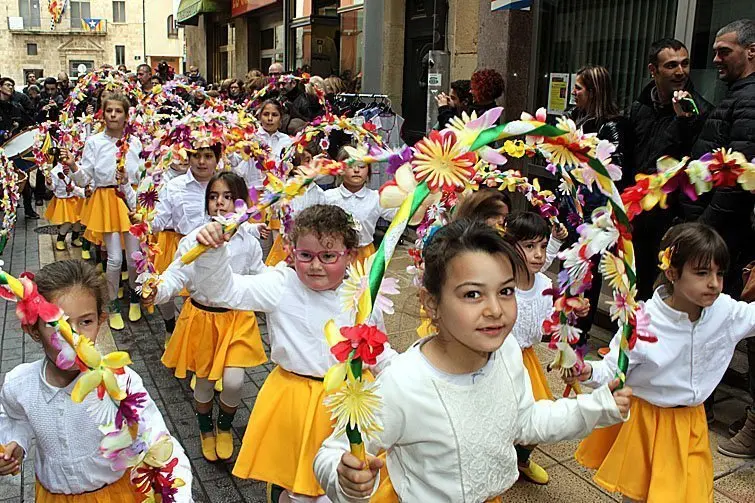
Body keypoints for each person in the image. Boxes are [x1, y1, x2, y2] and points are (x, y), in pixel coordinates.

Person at [314, 219, 631, 502]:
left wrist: (598, 406)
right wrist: (346, 478)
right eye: (472, 294)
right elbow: (334, 451)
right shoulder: (402, 383)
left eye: (505, 291)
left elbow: (526, 420)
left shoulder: (506, 352)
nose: (495, 309)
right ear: (432, 303)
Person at [191, 204, 397, 502]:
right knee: (300, 487)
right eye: (305, 255)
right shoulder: (281, 284)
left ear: (350, 255)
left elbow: (376, 348)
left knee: (346, 482)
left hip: (351, 401)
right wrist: (213, 251)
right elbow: (223, 292)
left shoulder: (363, 292)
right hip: (297, 401)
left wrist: (404, 373)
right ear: (292, 252)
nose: (315, 266)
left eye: (328, 256)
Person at [570, 222, 755, 501]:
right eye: (702, 273)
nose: (714, 283)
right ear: (672, 272)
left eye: (719, 273)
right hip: (646, 420)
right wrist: (586, 370)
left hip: (691, 420)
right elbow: (612, 370)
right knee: (638, 493)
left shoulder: (725, 312)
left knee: (685, 492)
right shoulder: (643, 322)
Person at [0, 259, 192, 501]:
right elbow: (16, 418)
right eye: (56, 324)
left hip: (114, 494)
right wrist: (15, 442)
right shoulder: (19, 384)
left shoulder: (119, 382)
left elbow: (157, 440)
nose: (74, 337)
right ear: (33, 329)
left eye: (86, 322)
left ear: (101, 321)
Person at [150, 172, 267, 462]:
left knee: (234, 382)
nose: (220, 203)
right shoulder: (193, 241)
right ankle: (205, 428)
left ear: (241, 203)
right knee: (202, 381)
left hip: (239, 320)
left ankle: (225, 426)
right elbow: (176, 274)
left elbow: (260, 276)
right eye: (214, 197)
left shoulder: (248, 242)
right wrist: (157, 291)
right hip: (202, 319)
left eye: (228, 197)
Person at [679, 18, 755, 459]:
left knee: (708, 315)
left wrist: (704, 229)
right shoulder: (736, 99)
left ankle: (700, 398)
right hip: (713, 232)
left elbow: (735, 179)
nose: (715, 58)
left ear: (751, 52)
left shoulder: (749, 101)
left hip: (721, 236)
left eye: (724, 51)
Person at [626, 38, 713, 303]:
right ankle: (631, 339)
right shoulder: (638, 108)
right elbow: (634, 159)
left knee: (666, 293)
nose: (680, 72)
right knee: (634, 285)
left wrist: (681, 122)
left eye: (685, 64)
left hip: (670, 220)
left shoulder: (700, 112)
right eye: (671, 65)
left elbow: (688, 168)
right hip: (637, 214)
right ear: (653, 70)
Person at [62, 93, 144, 330]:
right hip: (106, 201)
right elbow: (86, 177)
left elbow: (141, 174)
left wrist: (130, 179)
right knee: (115, 259)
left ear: (126, 116)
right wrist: (73, 166)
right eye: (109, 111)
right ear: (103, 114)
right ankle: (113, 304)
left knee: (134, 257)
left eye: (118, 111)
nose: (113, 115)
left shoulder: (135, 143)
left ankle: (136, 297)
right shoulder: (94, 142)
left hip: (129, 200)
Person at [564, 65, 628, 342]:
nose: (574, 93)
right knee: (568, 259)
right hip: (572, 203)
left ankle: (581, 326)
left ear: (594, 91)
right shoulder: (574, 118)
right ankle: (564, 316)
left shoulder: (612, 125)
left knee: (587, 264)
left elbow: (617, 168)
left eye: (579, 88)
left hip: (597, 208)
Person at [152, 145, 219, 344]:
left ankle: (194, 342)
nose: (201, 162)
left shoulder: (224, 184)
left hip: (213, 250)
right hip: (178, 245)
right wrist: (142, 216)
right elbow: (158, 221)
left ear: (217, 159)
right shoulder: (174, 186)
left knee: (200, 301)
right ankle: (170, 327)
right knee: (169, 293)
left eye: (208, 156)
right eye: (196, 156)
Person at [324, 148, 399, 263]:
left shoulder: (376, 198)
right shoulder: (327, 197)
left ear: (368, 171)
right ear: (340, 169)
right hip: (334, 254)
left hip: (365, 255)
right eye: (350, 166)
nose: (356, 170)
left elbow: (399, 215)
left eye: (362, 166)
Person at [0, 76, 38, 219]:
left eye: (12, 85)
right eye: (8, 85)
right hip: (1, 149)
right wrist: (2, 133)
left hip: (15, 149)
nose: (10, 87)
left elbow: (29, 123)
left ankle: (28, 209)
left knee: (24, 180)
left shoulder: (16, 106)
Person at [44, 163, 85, 251]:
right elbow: (52, 187)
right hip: (64, 199)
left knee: (78, 221)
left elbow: (81, 180)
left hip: (75, 197)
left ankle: (75, 238)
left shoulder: (76, 166)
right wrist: (49, 183)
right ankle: (60, 239)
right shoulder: (55, 171)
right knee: (68, 222)